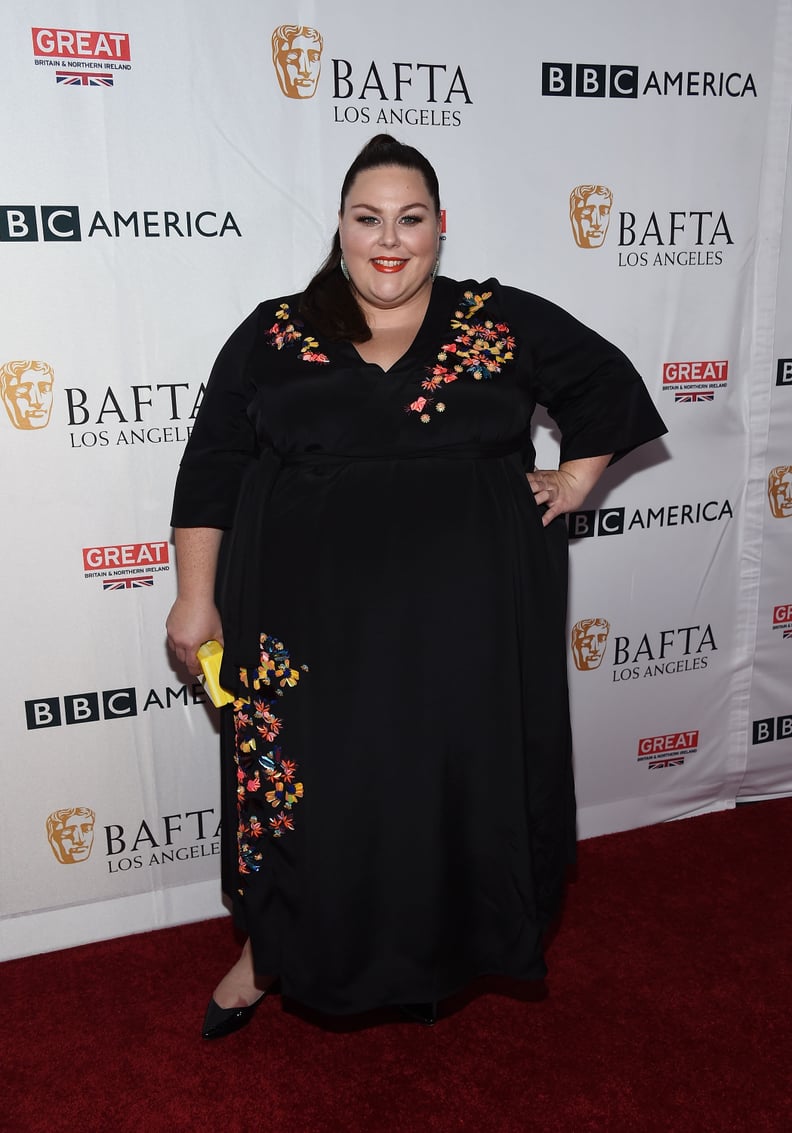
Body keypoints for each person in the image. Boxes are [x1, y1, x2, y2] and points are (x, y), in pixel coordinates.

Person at [167, 134, 667, 1038]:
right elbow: (211, 467)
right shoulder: (276, 329)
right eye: (368, 219)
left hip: (467, 630)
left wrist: (575, 478)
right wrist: (193, 596)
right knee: (316, 795)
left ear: (441, 227)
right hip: (305, 632)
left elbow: (606, 383)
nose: (388, 240)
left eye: (409, 219)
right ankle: (266, 956)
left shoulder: (499, 317)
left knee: (444, 788)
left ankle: (435, 953)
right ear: (342, 228)